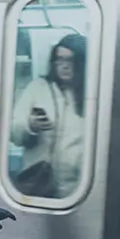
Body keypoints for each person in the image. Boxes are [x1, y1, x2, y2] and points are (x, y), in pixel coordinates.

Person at [10, 32, 87, 198]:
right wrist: (30, 125)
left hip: (76, 189)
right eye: (60, 60)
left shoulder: (91, 94)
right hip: (38, 182)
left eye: (70, 60)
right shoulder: (38, 87)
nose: (64, 66)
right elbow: (13, 131)